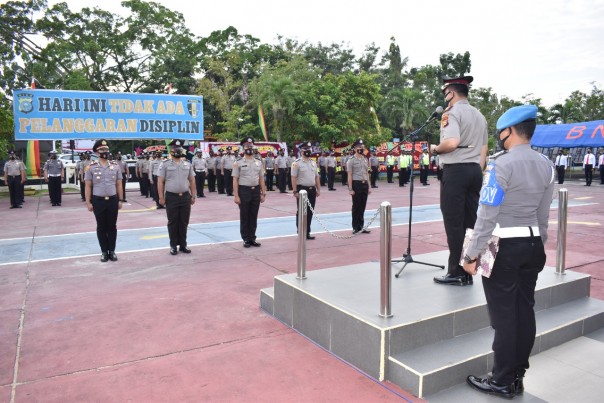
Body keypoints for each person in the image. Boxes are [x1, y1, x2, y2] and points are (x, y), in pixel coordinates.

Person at [463, 105, 555, 399]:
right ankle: (517, 374)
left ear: (509, 131)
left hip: (505, 248)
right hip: (532, 246)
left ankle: (501, 380)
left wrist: (471, 254)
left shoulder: (500, 165)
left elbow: (487, 214)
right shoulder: (546, 164)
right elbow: (543, 214)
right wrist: (538, 246)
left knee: (504, 317)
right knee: (524, 311)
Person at [430, 75, 488, 286]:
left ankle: (455, 271)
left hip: (455, 171)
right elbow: (483, 149)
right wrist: (476, 168)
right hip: (474, 171)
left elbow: (451, 142)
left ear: (451, 93)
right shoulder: (479, 115)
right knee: (470, 223)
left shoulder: (451, 113)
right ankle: (468, 268)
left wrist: (435, 148)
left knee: (454, 223)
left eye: (446, 93)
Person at [85, 139, 124, 262]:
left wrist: (120, 199)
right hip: (98, 201)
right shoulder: (91, 167)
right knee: (101, 227)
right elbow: (88, 186)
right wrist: (88, 202)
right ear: (96, 152)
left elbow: (119, 184)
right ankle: (103, 252)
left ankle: (112, 251)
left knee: (112, 226)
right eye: (102, 150)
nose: (105, 152)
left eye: (106, 149)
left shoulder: (115, 166)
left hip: (112, 200)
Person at [157, 139, 196, 255]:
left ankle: (183, 244)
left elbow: (192, 180)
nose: (177, 150)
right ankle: (173, 245)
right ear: (171, 150)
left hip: (185, 196)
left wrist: (193, 195)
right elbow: (160, 182)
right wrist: (161, 197)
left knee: (184, 221)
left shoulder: (187, 164)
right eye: (175, 148)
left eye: (179, 149)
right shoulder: (165, 164)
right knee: (173, 222)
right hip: (171, 197)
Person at [232, 137, 266, 247]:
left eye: (251, 146)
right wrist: (236, 195)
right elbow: (235, 179)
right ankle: (245, 239)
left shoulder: (258, 162)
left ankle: (252, 238)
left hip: (255, 190)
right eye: (247, 146)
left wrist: (263, 193)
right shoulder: (238, 163)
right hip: (244, 191)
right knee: (244, 215)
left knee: (253, 215)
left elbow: (261, 178)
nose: (249, 148)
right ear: (243, 148)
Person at [292, 141, 321, 239]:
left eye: (309, 149)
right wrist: (295, 191)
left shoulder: (313, 163)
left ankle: (307, 232)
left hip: (312, 189)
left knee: (310, 211)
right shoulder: (296, 163)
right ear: (301, 150)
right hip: (302, 189)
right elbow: (293, 177)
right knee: (301, 212)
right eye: (305, 149)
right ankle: (301, 232)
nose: (308, 151)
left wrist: (318, 189)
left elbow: (316, 177)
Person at [347, 139, 371, 234]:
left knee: (363, 206)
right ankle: (355, 227)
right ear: (355, 148)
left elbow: (367, 173)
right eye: (359, 147)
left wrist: (369, 186)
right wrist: (350, 188)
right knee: (356, 206)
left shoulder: (365, 159)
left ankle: (361, 226)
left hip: (364, 184)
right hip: (356, 184)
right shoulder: (351, 160)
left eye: (362, 147)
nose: (361, 149)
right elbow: (350, 175)